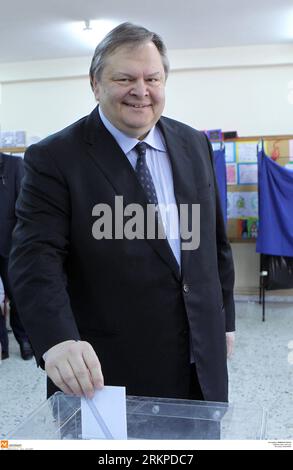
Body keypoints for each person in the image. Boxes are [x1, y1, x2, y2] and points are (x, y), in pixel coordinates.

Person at [9, 23, 235, 401]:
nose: (141, 91)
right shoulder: (54, 158)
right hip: (105, 369)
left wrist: (224, 320)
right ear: (95, 83)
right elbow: (35, 259)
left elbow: (212, 242)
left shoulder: (194, 143)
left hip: (203, 357)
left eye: (153, 78)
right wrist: (58, 339)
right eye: (125, 78)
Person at [0, 152, 33, 360]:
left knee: (18, 295)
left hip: (10, 246)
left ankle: (24, 339)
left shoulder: (14, 165)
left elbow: (26, 206)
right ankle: (2, 345)